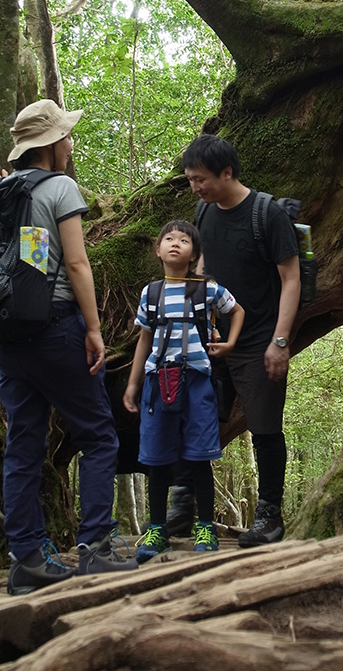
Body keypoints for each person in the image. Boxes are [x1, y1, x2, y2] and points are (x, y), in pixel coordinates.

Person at [0, 99, 138, 594]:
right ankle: (96, 546)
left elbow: (13, 258)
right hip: (54, 328)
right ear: (50, 146)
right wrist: (93, 328)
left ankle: (26, 557)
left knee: (24, 443)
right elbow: (75, 264)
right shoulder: (59, 187)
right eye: (66, 136)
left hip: (6, 337)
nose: (70, 144)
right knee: (98, 433)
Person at [181, 134, 300, 547]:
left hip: (257, 343)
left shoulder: (265, 214)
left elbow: (290, 279)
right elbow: (200, 264)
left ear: (226, 172)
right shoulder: (203, 211)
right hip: (212, 341)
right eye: (191, 180)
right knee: (197, 418)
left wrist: (280, 342)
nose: (196, 187)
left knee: (265, 429)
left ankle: (269, 515)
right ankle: (184, 506)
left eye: (201, 179)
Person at [122, 220, 244, 560]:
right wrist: (133, 385)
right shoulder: (151, 292)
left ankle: (205, 526)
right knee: (157, 456)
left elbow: (237, 311)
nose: (176, 243)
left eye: (184, 239)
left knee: (200, 453)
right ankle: (157, 529)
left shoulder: (208, 290)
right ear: (157, 249)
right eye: (169, 238)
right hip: (157, 379)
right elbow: (144, 338)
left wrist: (230, 343)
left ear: (195, 253)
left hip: (196, 379)